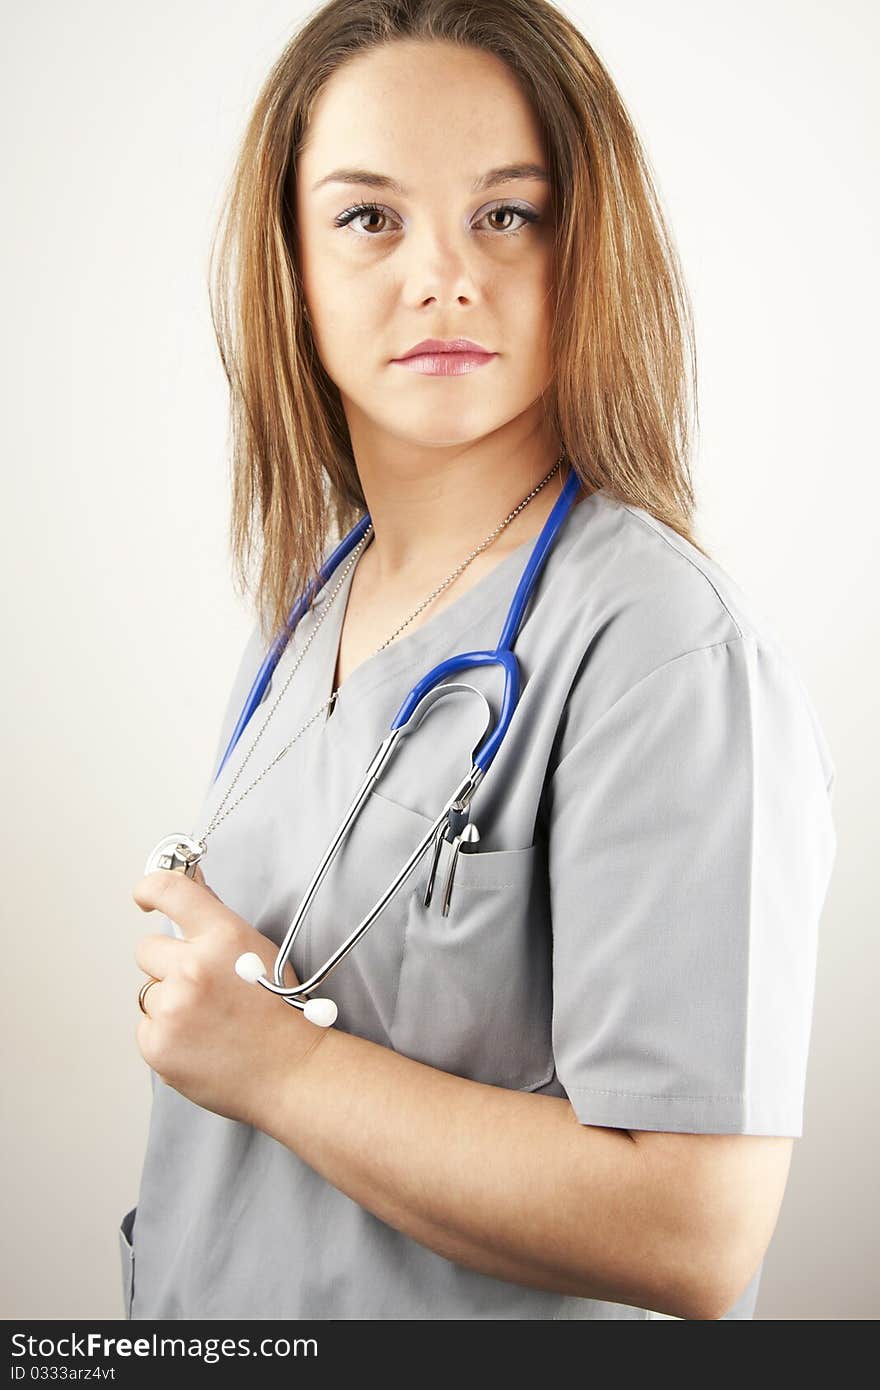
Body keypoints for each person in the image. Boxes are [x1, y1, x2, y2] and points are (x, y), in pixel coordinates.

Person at [120, 0, 837, 1321]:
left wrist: (270, 1063)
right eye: (370, 217)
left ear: (589, 246)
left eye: (507, 214)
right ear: (291, 265)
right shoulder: (308, 604)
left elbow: (694, 1228)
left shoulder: (660, 651)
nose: (443, 275)